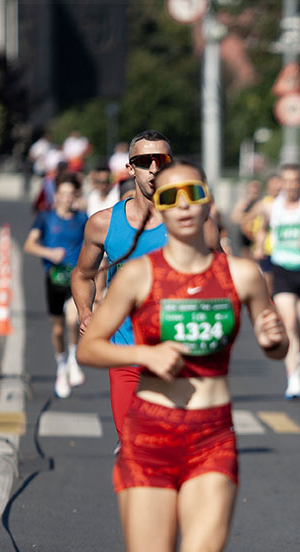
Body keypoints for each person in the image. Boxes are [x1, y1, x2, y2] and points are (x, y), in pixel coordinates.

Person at [76, 159, 287, 552]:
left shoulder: (242, 275)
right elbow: (91, 348)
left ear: (208, 202)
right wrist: (143, 357)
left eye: (195, 193)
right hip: (150, 434)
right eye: (172, 197)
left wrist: (275, 340)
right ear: (160, 210)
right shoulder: (138, 276)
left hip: (212, 436)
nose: (185, 203)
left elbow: (274, 341)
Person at [72, 130, 174, 440]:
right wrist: (85, 313)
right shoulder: (103, 224)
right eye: (145, 161)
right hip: (126, 351)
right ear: (130, 168)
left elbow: (220, 277)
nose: (154, 168)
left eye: (162, 160)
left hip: (178, 355)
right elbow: (82, 275)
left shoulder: (190, 220)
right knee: (133, 442)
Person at [248, 163, 300, 399]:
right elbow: (259, 228)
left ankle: (299, 357)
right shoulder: (271, 208)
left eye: (295, 181)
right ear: (281, 183)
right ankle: (293, 378)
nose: (291, 185)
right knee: (290, 324)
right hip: (282, 270)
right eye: (286, 181)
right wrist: (258, 243)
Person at [25, 172, 89, 399]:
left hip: (75, 278)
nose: (66, 198)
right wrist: (49, 252)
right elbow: (29, 245)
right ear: (57, 195)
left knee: (73, 319)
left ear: (77, 196)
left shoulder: (83, 218)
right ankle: (61, 366)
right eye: (62, 194)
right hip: (53, 278)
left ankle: (73, 359)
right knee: (58, 328)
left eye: (71, 194)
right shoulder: (45, 217)